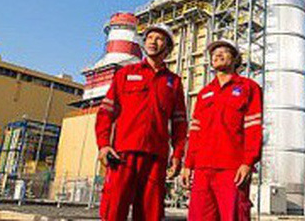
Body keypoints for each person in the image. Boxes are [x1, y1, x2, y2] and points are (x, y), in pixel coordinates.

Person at [96, 24, 188, 221]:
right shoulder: (125, 73)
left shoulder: (173, 82)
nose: (153, 41)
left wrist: (177, 155)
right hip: (123, 154)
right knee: (114, 210)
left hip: (156, 157)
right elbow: (105, 112)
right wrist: (103, 145)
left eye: (159, 38)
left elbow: (180, 124)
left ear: (168, 48)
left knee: (150, 214)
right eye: (149, 38)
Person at [181, 38, 264, 221]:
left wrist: (248, 162)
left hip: (232, 168)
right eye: (214, 52)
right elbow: (195, 132)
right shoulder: (204, 93)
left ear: (235, 59)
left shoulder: (248, 88)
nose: (217, 54)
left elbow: (253, 128)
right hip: (202, 169)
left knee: (233, 216)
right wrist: (188, 165)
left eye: (224, 51)